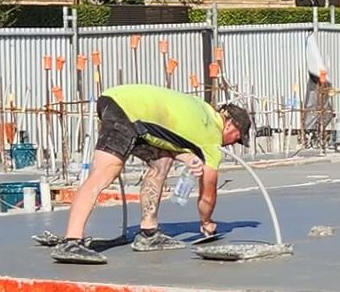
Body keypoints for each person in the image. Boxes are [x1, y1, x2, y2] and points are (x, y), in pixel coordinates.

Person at [52, 86, 251, 258]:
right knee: (105, 171)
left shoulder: (204, 110)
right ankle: (72, 241)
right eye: (237, 138)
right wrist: (206, 222)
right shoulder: (211, 138)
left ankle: (148, 232)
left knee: (161, 162)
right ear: (230, 125)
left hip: (129, 109)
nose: (234, 143)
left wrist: (186, 158)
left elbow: (168, 134)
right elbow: (208, 193)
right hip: (125, 109)